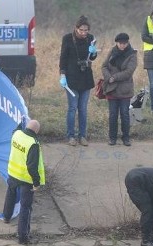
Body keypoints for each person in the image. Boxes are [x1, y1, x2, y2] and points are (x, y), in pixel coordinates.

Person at [3, 119, 45, 245]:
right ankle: (23, 237)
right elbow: (32, 166)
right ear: (37, 131)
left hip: (12, 172)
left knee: (10, 194)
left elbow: (16, 129)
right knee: (25, 207)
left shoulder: (17, 134)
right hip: (26, 179)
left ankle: (6, 216)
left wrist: (20, 122)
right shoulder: (33, 144)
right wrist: (36, 182)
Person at [59, 16, 97, 147]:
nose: (84, 33)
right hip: (71, 78)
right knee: (72, 107)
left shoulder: (91, 39)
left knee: (83, 109)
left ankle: (82, 136)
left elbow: (92, 57)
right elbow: (63, 58)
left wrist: (93, 52)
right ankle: (71, 136)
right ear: (76, 28)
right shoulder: (67, 38)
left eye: (86, 30)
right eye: (81, 30)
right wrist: (62, 75)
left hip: (85, 77)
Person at [102, 33, 138, 146]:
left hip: (125, 90)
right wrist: (108, 78)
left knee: (124, 114)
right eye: (120, 43)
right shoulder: (112, 52)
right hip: (111, 89)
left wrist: (114, 77)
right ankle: (112, 137)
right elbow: (104, 66)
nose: (122, 45)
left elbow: (129, 72)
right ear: (116, 43)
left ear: (127, 43)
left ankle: (126, 137)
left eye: (124, 43)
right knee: (113, 115)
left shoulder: (132, 54)